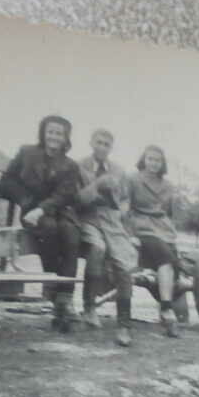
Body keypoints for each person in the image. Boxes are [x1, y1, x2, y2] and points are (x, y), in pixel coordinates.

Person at [0, 116, 83, 332]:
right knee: (49, 228)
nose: (54, 137)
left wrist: (41, 209)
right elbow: (4, 182)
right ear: (43, 133)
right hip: (34, 212)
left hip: (60, 210)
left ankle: (66, 298)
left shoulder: (70, 165)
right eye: (50, 131)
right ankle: (54, 290)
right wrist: (26, 201)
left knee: (71, 234)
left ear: (66, 139)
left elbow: (65, 194)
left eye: (59, 133)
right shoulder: (26, 153)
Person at [76, 128, 136, 347]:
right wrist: (98, 185)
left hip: (112, 221)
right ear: (91, 143)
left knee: (124, 264)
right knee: (98, 248)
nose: (102, 147)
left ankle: (124, 325)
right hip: (89, 219)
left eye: (106, 144)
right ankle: (89, 307)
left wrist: (122, 210)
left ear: (111, 148)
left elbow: (127, 199)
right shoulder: (79, 166)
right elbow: (78, 199)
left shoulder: (119, 170)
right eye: (99, 142)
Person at [128, 145, 183, 338]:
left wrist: (170, 228)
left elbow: (168, 212)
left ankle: (168, 309)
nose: (153, 163)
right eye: (150, 159)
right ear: (144, 160)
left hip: (163, 228)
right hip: (141, 226)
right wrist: (130, 233)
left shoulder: (168, 186)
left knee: (174, 264)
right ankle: (167, 310)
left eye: (157, 161)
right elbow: (125, 207)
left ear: (162, 164)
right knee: (165, 259)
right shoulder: (132, 179)